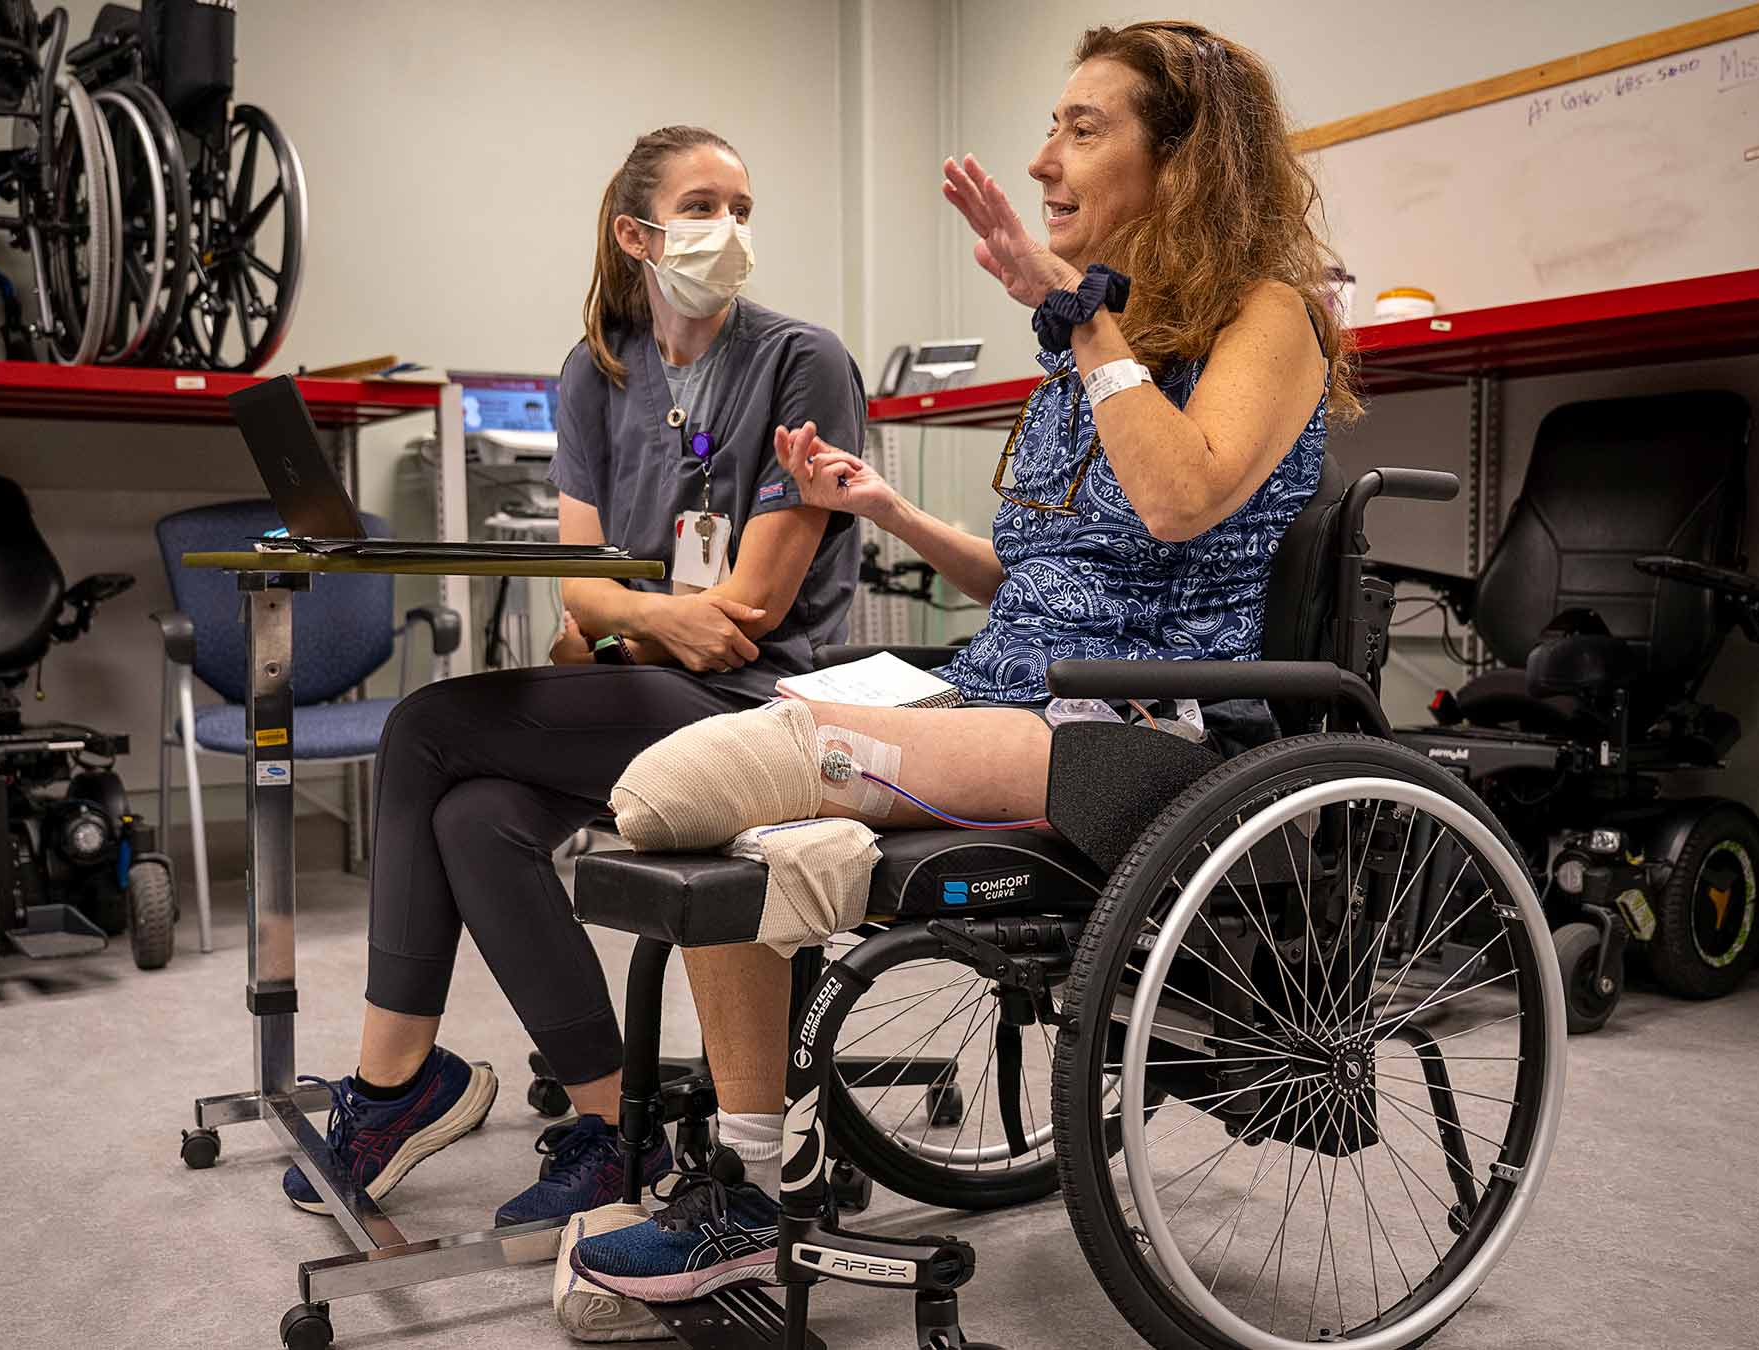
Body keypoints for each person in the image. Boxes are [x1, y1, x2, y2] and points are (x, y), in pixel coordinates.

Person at [569, 20, 1361, 1302]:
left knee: (702, 780)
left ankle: (747, 1182)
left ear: (1188, 160)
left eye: (1083, 128)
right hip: (1017, 694)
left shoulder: (1269, 315)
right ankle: (758, 1172)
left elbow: (1177, 502)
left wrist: (1079, 324)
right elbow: (1036, 580)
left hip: (1145, 732)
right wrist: (886, 510)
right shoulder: (1102, 333)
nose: (1046, 157)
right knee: (743, 826)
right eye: (1052, 125)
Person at [278, 125, 864, 1230]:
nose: (731, 231)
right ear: (637, 233)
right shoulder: (598, 371)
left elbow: (747, 619)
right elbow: (581, 592)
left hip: (765, 707)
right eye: (703, 207)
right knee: (478, 816)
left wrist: (628, 622)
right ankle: (611, 1128)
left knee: (422, 730)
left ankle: (396, 1089)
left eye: (744, 207)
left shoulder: (802, 362)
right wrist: (646, 622)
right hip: (650, 689)